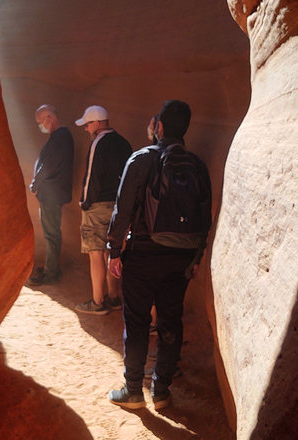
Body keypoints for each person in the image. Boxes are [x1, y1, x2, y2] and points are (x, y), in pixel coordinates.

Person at [106, 100, 212, 410]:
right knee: (170, 321)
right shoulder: (198, 166)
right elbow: (205, 219)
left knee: (137, 322)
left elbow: (121, 210)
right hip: (179, 259)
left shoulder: (140, 160)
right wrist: (195, 259)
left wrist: (114, 250)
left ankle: (134, 391)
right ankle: (162, 390)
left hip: (142, 256)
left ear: (159, 127)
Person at [74, 105, 132, 315]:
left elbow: (91, 177)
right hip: (118, 207)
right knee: (113, 252)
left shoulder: (98, 142)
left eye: (88, 124)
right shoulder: (123, 143)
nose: (86, 128)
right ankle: (114, 297)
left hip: (97, 205)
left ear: (97, 124)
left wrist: (85, 202)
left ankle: (98, 302)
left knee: (95, 253)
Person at [27, 105, 74, 286]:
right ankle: (51, 267)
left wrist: (35, 185)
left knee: (51, 234)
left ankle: (51, 272)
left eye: (41, 122)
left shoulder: (60, 138)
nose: (41, 126)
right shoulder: (59, 137)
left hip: (52, 193)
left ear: (50, 118)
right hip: (52, 192)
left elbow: (48, 167)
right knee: (51, 232)